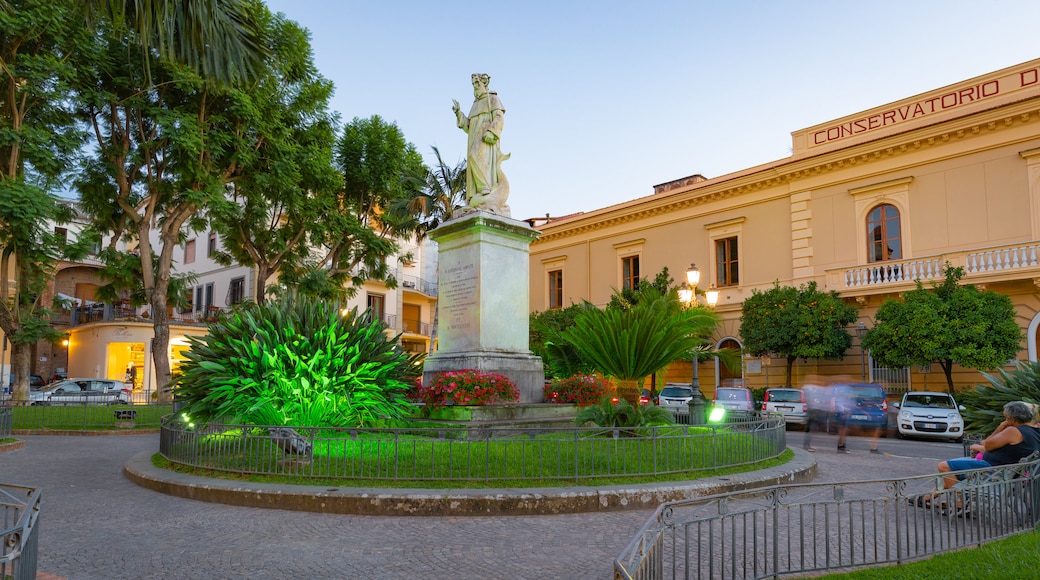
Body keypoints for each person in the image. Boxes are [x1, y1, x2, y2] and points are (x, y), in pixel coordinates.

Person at [923, 401, 1040, 503]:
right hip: (1004, 470)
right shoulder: (1034, 431)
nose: (1005, 420)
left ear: (1012, 419)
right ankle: (926, 498)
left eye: (1006, 418)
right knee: (952, 472)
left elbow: (988, 445)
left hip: (992, 470)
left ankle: (961, 503)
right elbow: (986, 444)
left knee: (944, 467)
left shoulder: (1013, 431)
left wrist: (1000, 428)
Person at [453, 73, 510, 216]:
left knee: (475, 156)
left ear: (484, 84)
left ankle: (485, 189)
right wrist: (459, 114)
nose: (475, 87)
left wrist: (492, 131)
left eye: (477, 84)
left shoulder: (492, 99)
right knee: (473, 159)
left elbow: (499, 117)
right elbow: (468, 126)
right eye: (473, 85)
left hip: (486, 138)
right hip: (474, 138)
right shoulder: (475, 104)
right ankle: (479, 193)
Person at [802, 375, 829, 452]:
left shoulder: (810, 387)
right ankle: (807, 445)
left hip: (813, 410)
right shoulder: (808, 387)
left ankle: (808, 444)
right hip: (812, 410)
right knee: (811, 427)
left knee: (812, 428)